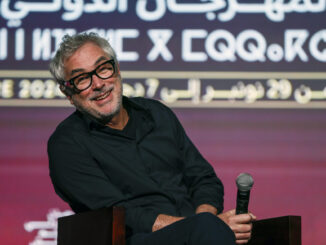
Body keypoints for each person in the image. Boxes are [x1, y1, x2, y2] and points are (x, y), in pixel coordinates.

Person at [48, 32, 255, 245]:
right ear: (68, 93)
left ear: (117, 69)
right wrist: (202, 227)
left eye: (103, 69)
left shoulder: (157, 114)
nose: (98, 84)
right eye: (82, 79)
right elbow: (123, 215)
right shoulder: (66, 145)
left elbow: (203, 180)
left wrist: (206, 221)